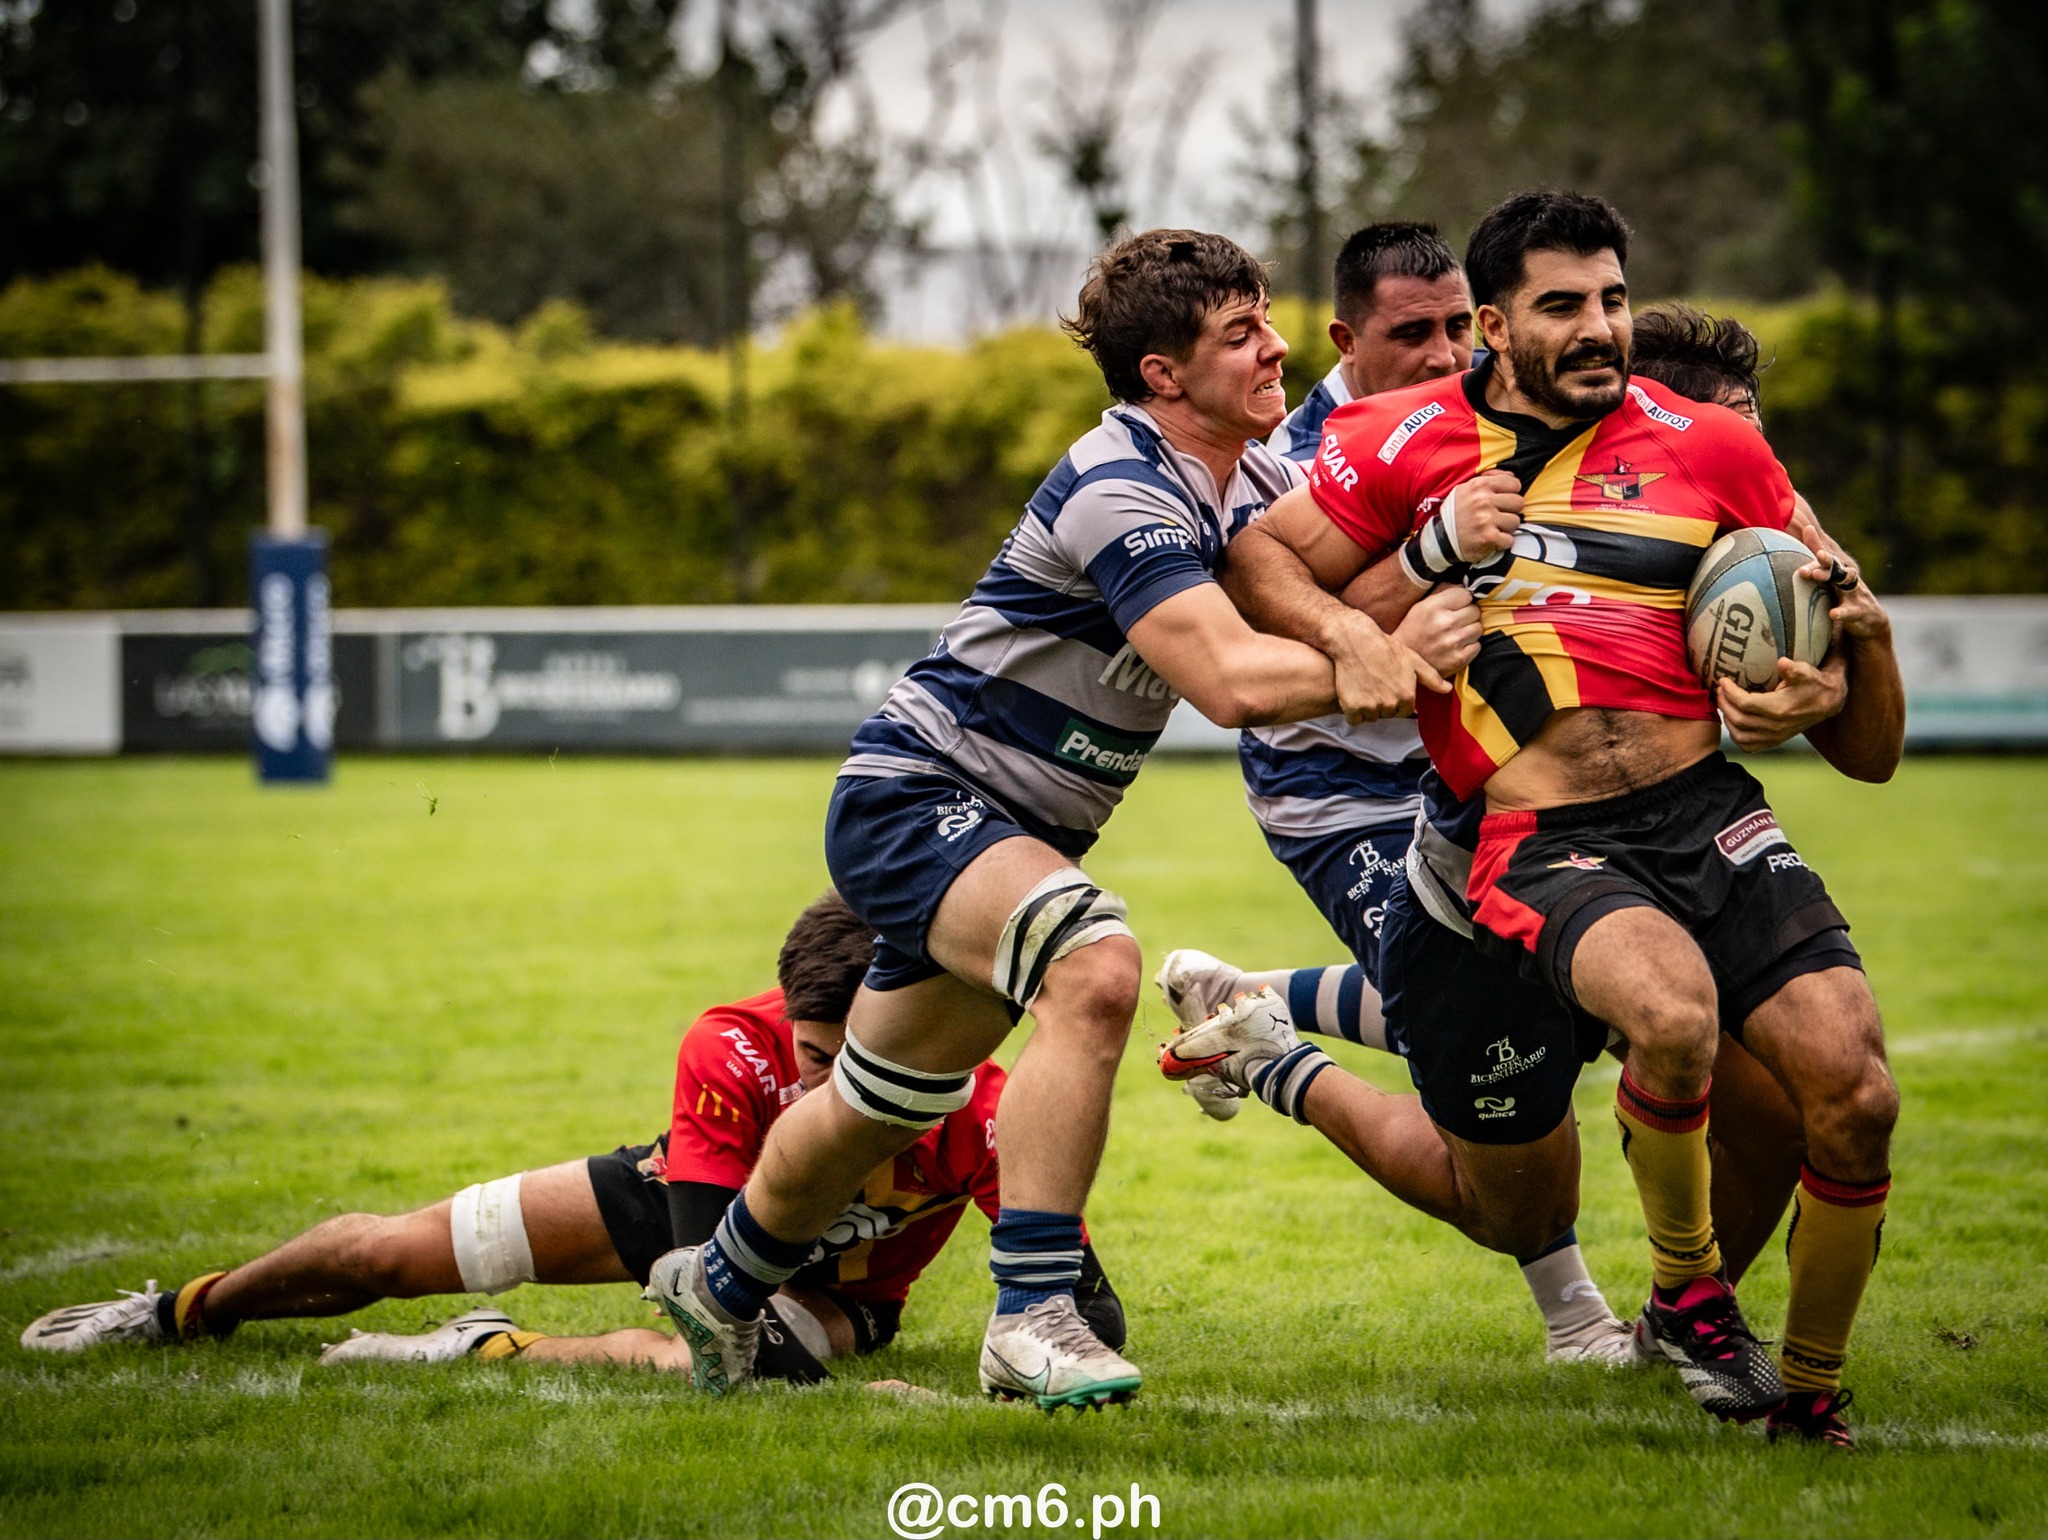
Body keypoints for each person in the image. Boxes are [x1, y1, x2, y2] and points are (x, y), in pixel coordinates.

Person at [642, 229, 1446, 1411]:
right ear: (1161, 374)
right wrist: (1381, 658)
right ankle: (1030, 1316)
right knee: (1095, 965)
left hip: (1013, 832)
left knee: (879, 1101)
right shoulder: (1121, 484)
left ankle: (714, 1285)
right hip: (918, 793)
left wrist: (1417, 582)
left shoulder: (1255, 482)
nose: (1275, 347)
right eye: (1238, 334)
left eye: (1265, 319)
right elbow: (1229, 680)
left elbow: (1330, 595)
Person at [1174, 191, 1904, 1446]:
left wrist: (1838, 674)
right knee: (1652, 1038)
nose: (1597, 326)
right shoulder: (1401, 437)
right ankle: (1688, 1291)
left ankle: (1807, 1390)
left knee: (1855, 1093)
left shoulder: (1711, 447)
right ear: (1497, 326)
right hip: (1530, 833)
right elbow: (1256, 561)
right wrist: (1374, 624)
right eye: (1561, 305)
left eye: (1612, 299)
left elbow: (1862, 724)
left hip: (1706, 812)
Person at [21, 895, 1124, 1383]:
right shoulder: (729, 1045)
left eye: (851, 1066)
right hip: (690, 1210)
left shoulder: (986, 1101)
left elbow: (1091, 1313)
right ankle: (179, 1311)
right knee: (379, 1253)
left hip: (841, 1295)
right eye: (809, 1053)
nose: (819, 1087)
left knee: (730, 1364)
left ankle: (486, 1349)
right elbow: (703, 1279)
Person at [1182, 220, 1638, 1364]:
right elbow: (1266, 623)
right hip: (1339, 788)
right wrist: (1428, 556)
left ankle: (1255, 1009)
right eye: (1408, 333)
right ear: (1345, 340)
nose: (1442, 355)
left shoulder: (1502, 410)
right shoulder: (1291, 458)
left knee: (1590, 1002)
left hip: (1486, 770)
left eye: (1453, 328)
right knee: (1515, 1014)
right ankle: (1574, 1315)